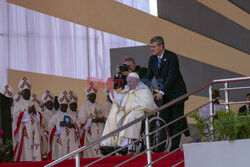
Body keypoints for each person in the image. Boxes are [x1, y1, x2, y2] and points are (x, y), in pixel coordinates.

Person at [143, 36, 188, 152]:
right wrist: (140, 85)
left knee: (176, 122)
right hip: (164, 97)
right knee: (163, 122)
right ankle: (160, 147)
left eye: (153, 46)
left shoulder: (171, 57)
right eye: (151, 47)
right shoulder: (152, 59)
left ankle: (174, 148)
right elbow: (148, 76)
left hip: (176, 94)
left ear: (161, 46)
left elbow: (172, 76)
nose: (151, 49)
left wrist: (162, 91)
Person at [101, 72, 157, 155]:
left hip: (139, 112)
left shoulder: (144, 90)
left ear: (136, 81)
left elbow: (147, 104)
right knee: (113, 117)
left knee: (130, 117)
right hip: (125, 112)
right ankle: (109, 144)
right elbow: (118, 99)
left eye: (130, 81)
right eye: (128, 82)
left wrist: (129, 107)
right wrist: (112, 90)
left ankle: (124, 145)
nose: (128, 83)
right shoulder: (127, 90)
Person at [13, 77, 43, 161]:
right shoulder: (18, 104)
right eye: (25, 91)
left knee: (35, 153)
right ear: (21, 93)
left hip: (35, 134)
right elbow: (16, 117)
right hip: (24, 134)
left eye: (28, 91)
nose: (27, 93)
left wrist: (36, 113)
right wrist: (27, 113)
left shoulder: (34, 104)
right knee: (26, 154)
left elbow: (41, 117)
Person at [47, 91, 79, 160]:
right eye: (63, 105)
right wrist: (59, 125)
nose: (64, 107)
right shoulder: (55, 117)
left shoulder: (71, 116)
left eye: (65, 105)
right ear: (60, 105)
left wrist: (73, 125)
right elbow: (50, 127)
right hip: (60, 142)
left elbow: (78, 126)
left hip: (71, 142)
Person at [78, 82, 106, 158]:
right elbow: (81, 121)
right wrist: (92, 120)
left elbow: (105, 118)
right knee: (91, 154)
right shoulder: (84, 107)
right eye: (91, 96)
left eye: (94, 96)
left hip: (100, 132)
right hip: (90, 134)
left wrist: (101, 119)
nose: (92, 98)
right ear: (87, 96)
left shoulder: (99, 105)